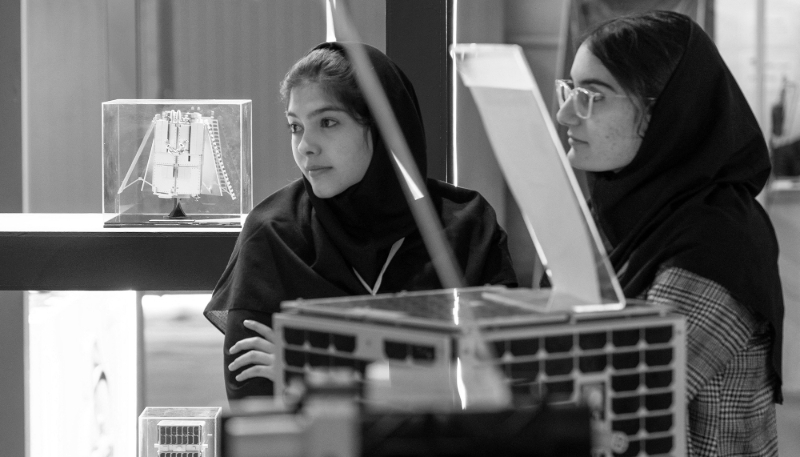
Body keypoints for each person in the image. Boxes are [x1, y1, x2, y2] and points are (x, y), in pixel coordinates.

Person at [204, 42, 518, 401]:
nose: (306, 146)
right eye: (295, 127)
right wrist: (418, 375)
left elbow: (501, 384)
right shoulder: (273, 235)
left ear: (386, 129)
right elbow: (254, 406)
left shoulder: (466, 229)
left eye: (328, 122)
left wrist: (314, 373)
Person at [556, 10, 784, 456]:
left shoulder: (716, 241)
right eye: (570, 90)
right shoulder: (618, 215)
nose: (566, 114)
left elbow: (624, 397)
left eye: (592, 96)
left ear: (664, 112)